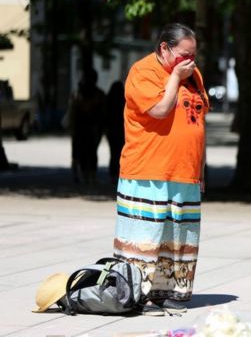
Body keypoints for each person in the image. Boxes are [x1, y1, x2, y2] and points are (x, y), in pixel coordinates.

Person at [113, 23, 208, 316]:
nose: (189, 61)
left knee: (179, 236)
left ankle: (171, 292)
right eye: (183, 55)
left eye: (193, 55)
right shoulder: (142, 72)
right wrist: (176, 78)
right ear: (164, 48)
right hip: (148, 171)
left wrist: (201, 170)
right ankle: (133, 293)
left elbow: (199, 120)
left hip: (185, 172)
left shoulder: (194, 75)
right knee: (146, 236)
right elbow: (160, 109)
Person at [67, 68, 105, 185]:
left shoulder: (91, 94)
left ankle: (85, 175)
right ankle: (83, 175)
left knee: (87, 152)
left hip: (88, 128)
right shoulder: (79, 94)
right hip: (83, 127)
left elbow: (103, 112)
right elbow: (72, 112)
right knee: (83, 153)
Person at [105, 81, 125, 184]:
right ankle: (118, 174)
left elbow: (105, 116)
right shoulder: (124, 101)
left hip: (111, 131)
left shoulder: (108, 100)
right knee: (120, 153)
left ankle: (113, 174)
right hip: (121, 131)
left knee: (113, 153)